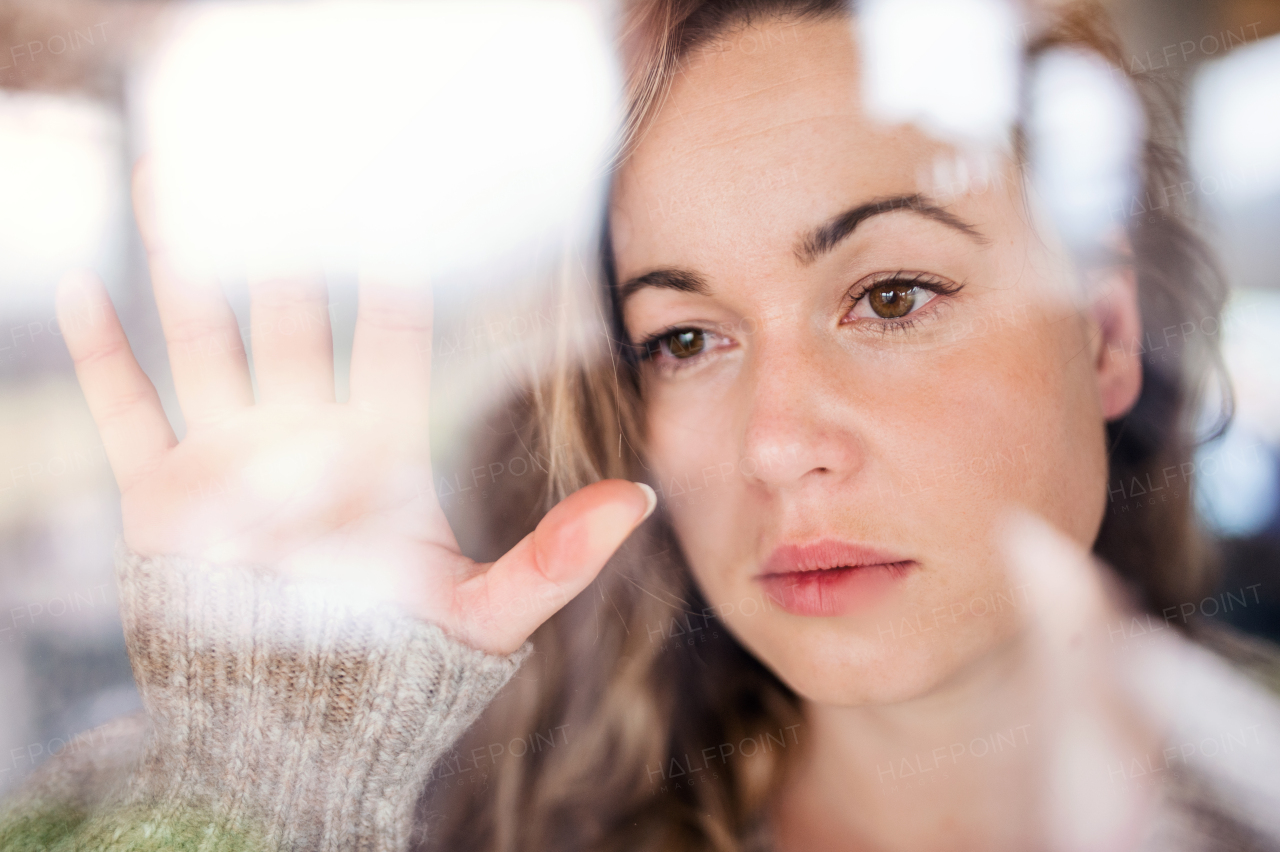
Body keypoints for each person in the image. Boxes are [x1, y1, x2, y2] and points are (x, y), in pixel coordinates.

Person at [2, 1, 1278, 851]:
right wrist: (262, 788)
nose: (775, 444)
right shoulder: (494, 815)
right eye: (684, 337)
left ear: (1104, 334)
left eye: (891, 296)